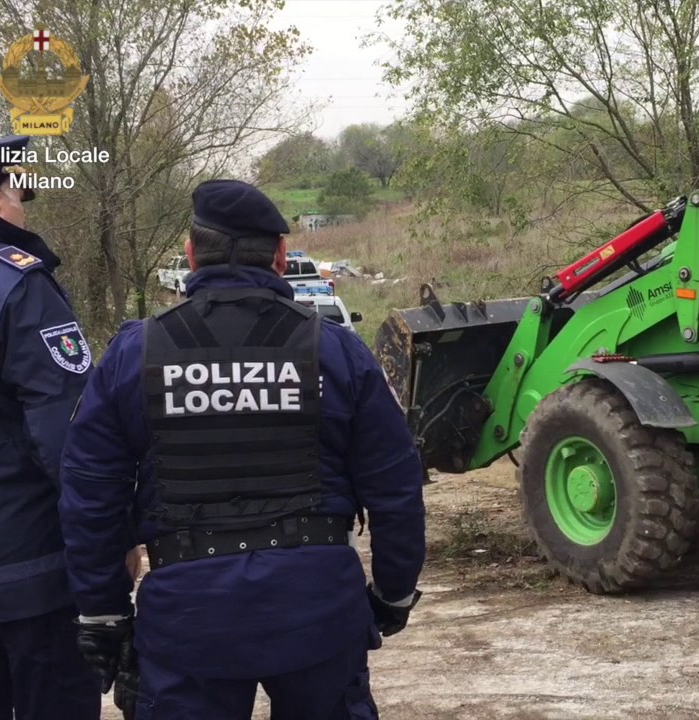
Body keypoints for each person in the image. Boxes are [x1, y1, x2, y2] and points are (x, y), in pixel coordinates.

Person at [58, 178, 427, 719]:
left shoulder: (134, 354)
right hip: (317, 608)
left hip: (188, 615)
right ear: (280, 257)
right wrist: (393, 593)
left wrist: (102, 610)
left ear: (190, 254)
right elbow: (396, 487)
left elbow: (90, 494)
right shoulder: (337, 350)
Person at [0, 135, 102, 719]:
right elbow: (69, 432)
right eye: (18, 192)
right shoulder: (14, 282)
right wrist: (106, 540)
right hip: (24, 570)